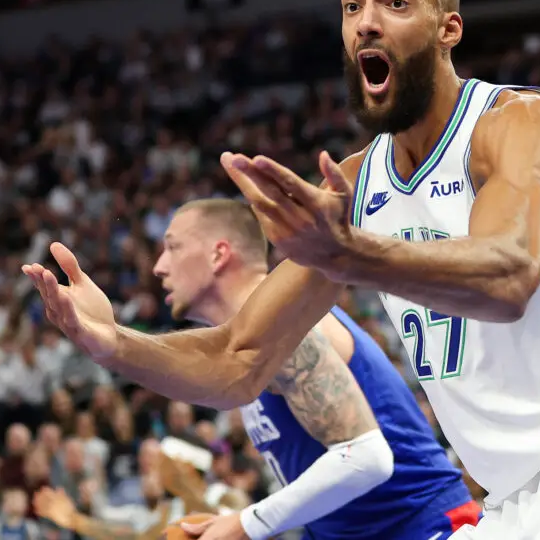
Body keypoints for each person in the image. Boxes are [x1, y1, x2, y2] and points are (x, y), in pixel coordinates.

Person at [22, 0, 540, 537]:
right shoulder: (357, 186)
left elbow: (508, 278)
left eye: (395, 2)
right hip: (515, 498)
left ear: (449, 28)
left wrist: (352, 254)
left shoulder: (524, 125)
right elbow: (237, 359)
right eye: (351, 7)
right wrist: (112, 344)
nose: (366, 22)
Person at [158, 198, 476, 539]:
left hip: (425, 529)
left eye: (172, 247)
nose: (159, 266)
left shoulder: (282, 325)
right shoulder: (249, 340)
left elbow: (365, 459)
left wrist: (247, 524)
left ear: (218, 254)